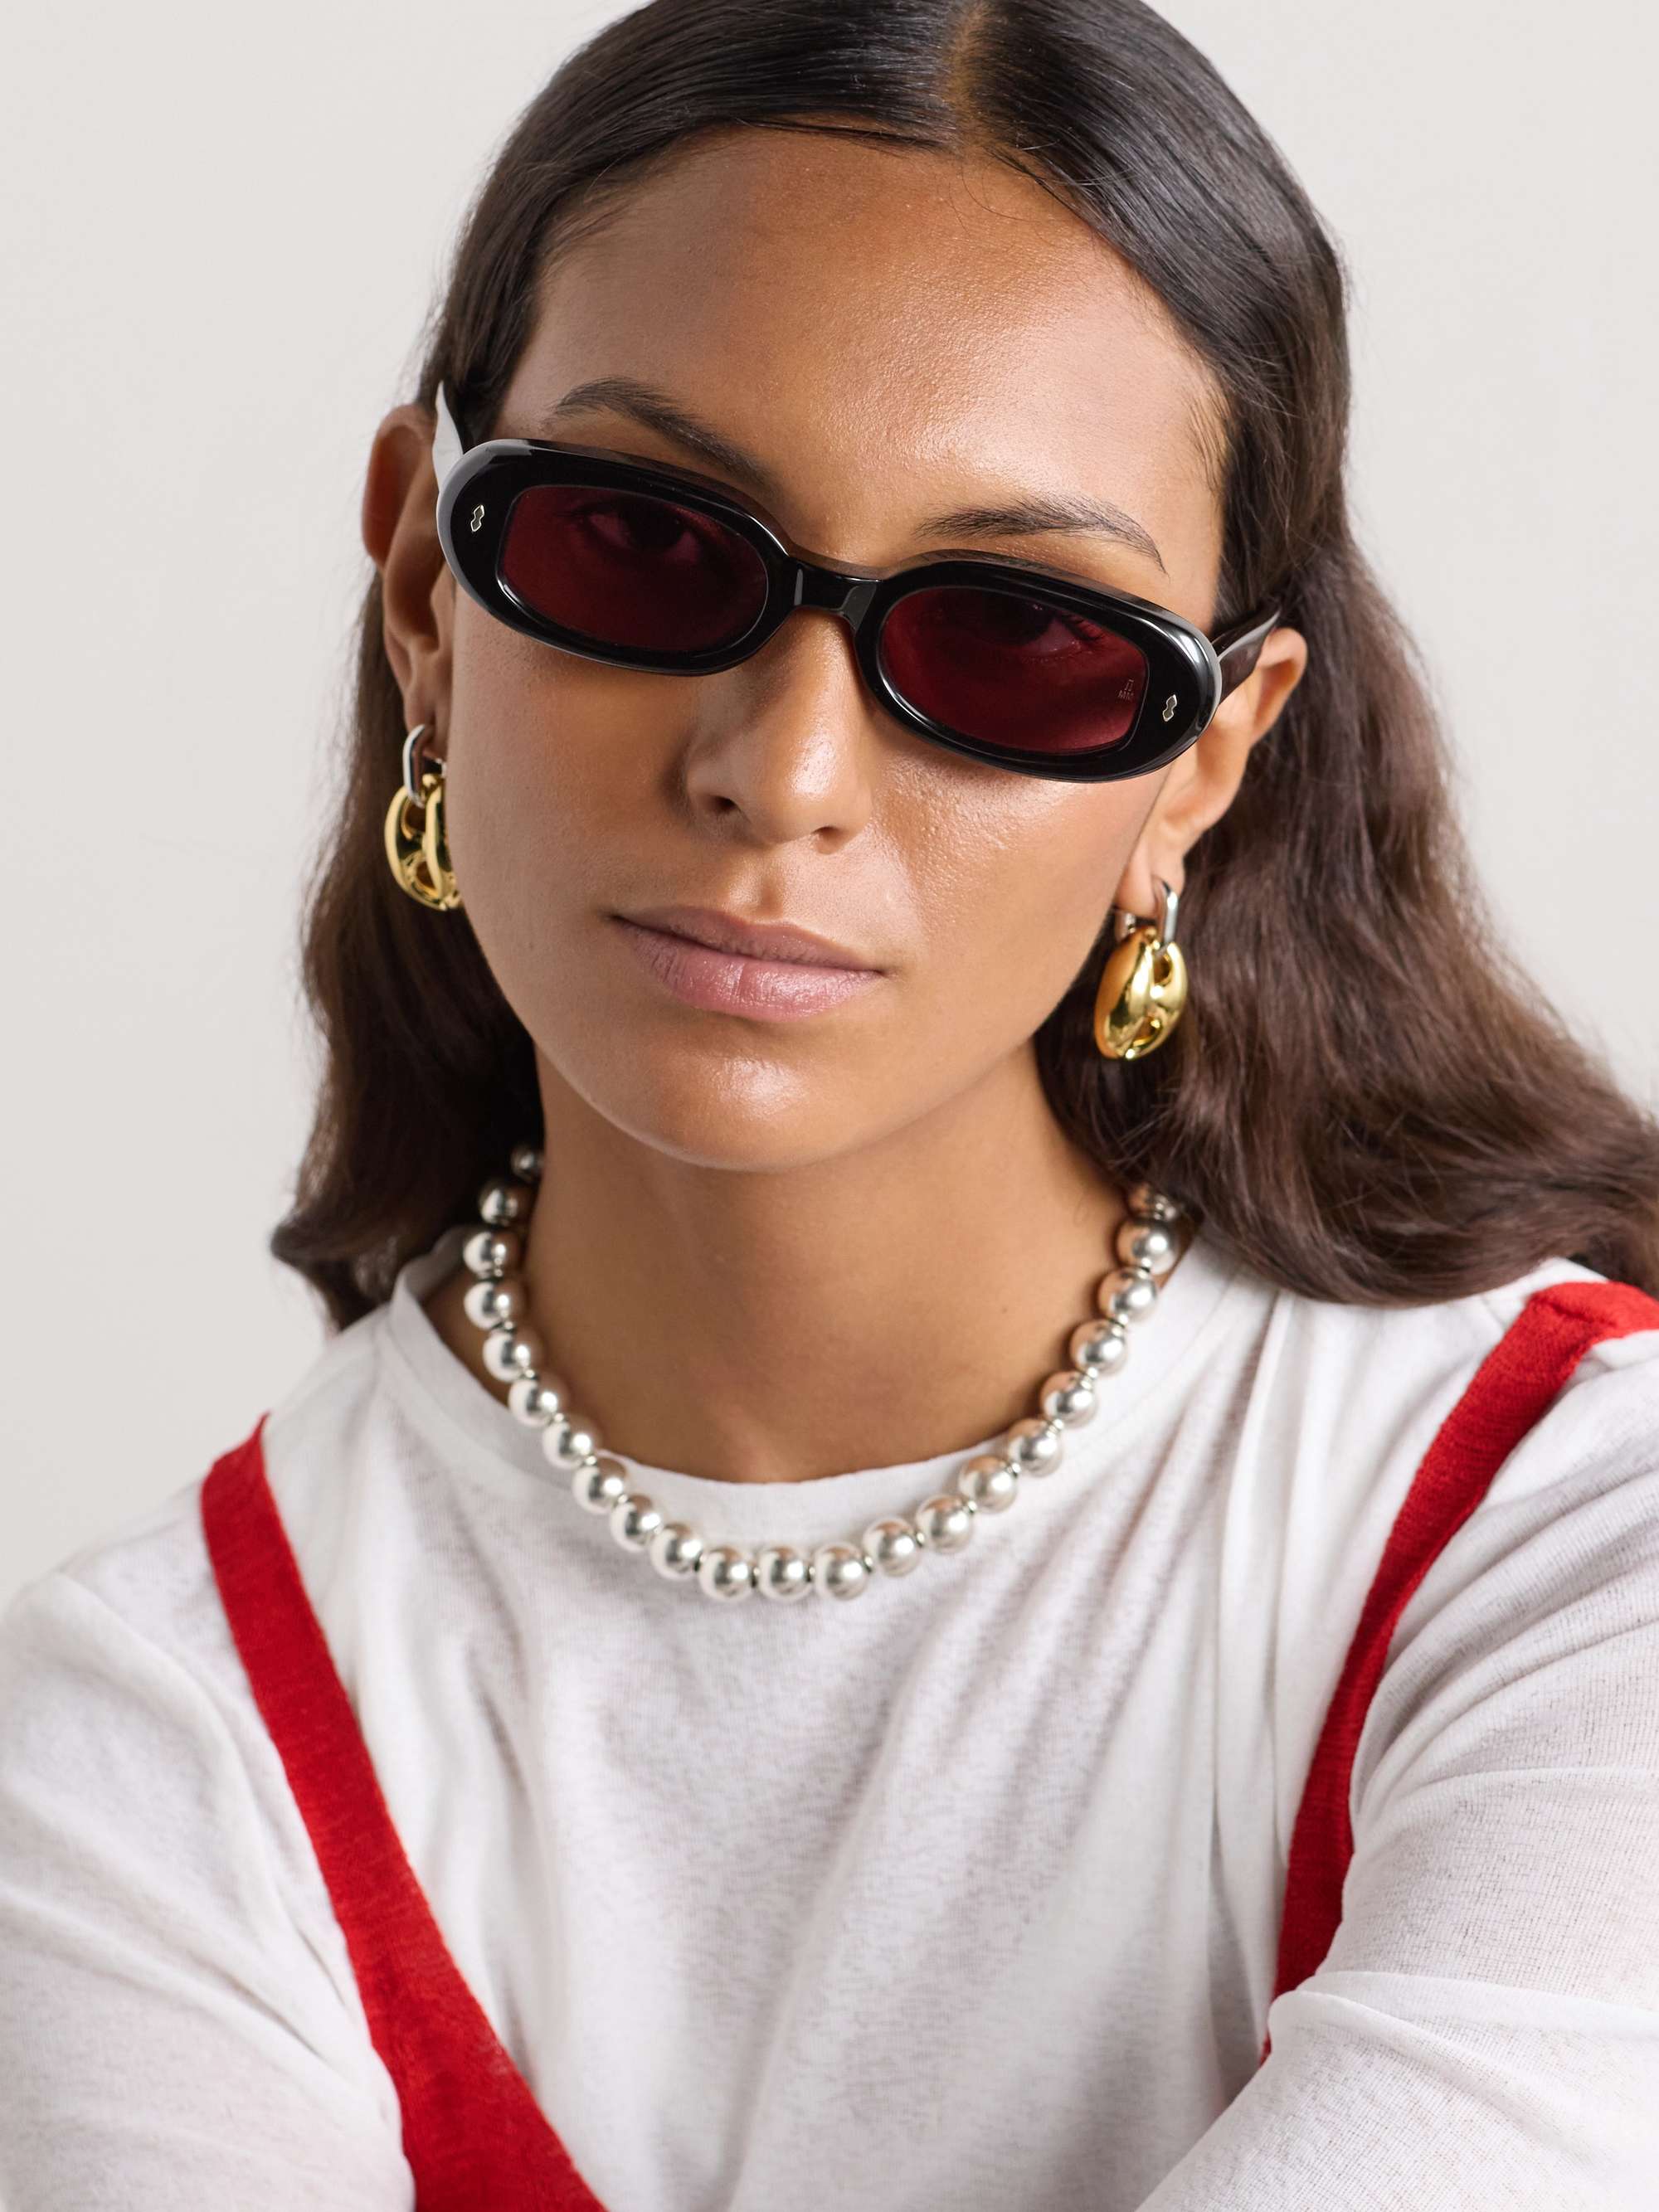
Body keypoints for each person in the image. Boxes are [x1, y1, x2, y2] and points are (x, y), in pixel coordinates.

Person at [4, 1, 1658, 2205]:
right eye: (642, 543)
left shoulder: (1578, 1541)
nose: (778, 773)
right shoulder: (143, 1746)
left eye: (1020, 639)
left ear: (1207, 758)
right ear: (423, 588)